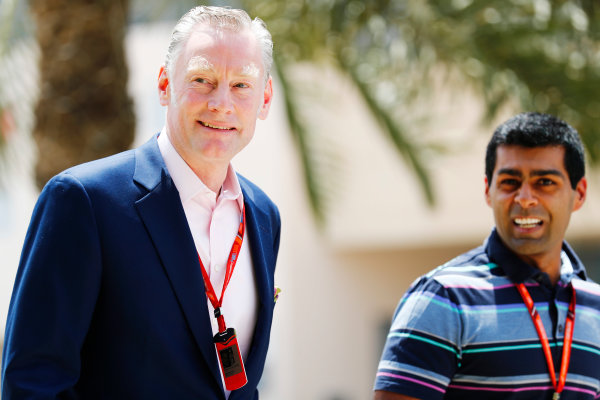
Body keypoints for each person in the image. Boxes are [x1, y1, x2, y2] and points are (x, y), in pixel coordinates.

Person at [1, 5, 280, 399]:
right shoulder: (84, 202)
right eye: (202, 79)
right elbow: (33, 381)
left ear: (264, 98)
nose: (221, 102)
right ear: (165, 84)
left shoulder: (264, 216)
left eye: (241, 85)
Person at [374, 112, 600, 400]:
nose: (525, 198)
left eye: (545, 182)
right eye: (510, 181)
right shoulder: (443, 299)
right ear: (488, 191)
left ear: (578, 194)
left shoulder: (595, 306)